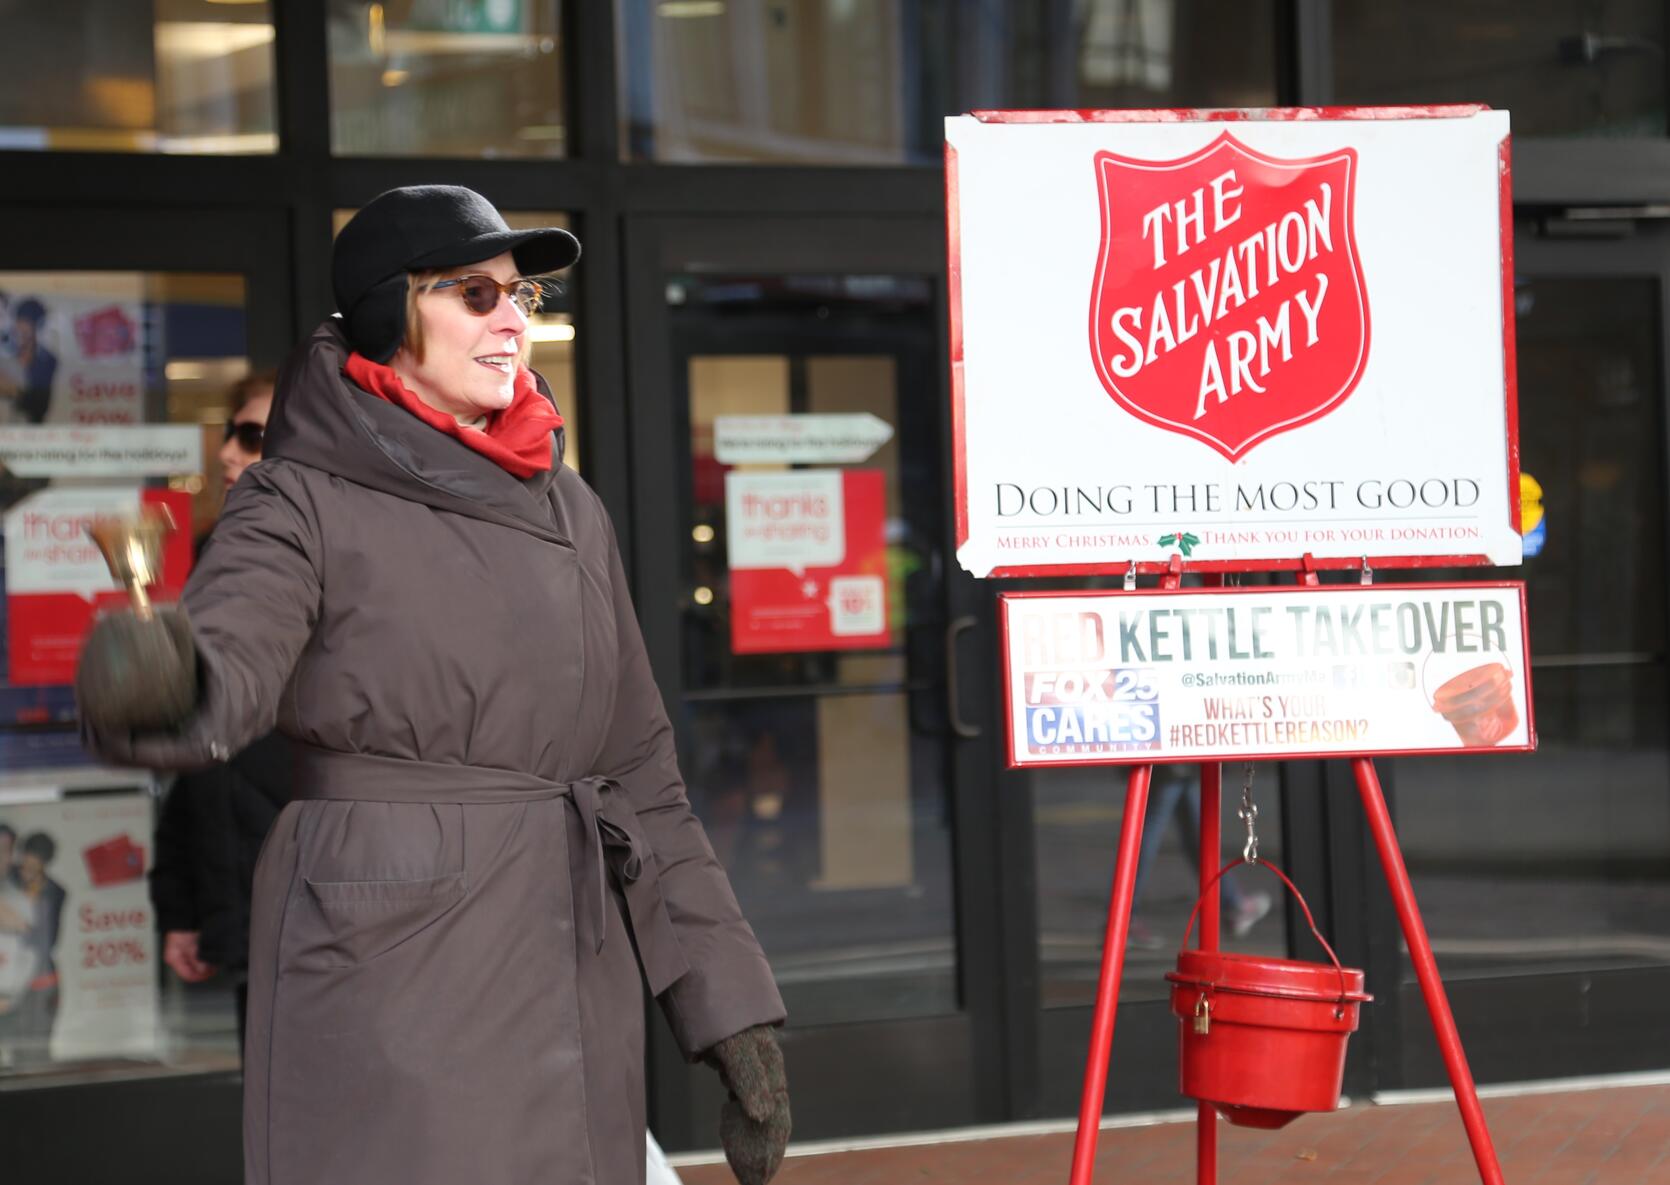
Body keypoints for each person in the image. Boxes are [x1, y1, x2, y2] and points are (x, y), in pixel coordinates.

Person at [76, 185, 788, 1185]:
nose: (512, 320)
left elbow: (636, 769)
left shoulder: (570, 505)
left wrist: (727, 1004)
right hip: (395, 974)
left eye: (519, 296)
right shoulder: (298, 494)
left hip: (573, 959)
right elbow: (219, 684)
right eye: (473, 293)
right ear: (386, 315)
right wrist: (151, 681)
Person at [149, 369, 291, 1049]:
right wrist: (183, 905)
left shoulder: (356, 570)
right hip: (248, 920)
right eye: (231, 432)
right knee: (272, 1143)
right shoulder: (214, 562)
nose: (228, 453)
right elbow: (200, 748)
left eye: (252, 435)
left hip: (336, 923)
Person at [1130, 766, 1271, 944]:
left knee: (1195, 828)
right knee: (1148, 828)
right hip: (1173, 757)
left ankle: (1232, 901)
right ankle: (1123, 915)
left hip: (1178, 762)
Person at [0, 831, 67, 1063]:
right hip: (9, 980)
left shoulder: (55, 892)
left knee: (37, 1051)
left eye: (35, 866)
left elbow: (51, 939)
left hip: (41, 982)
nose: (27, 871)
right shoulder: (7, 883)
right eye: (25, 863)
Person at [11, 298, 57, 424]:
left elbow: (39, 405)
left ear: (37, 325)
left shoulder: (48, 360)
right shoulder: (11, 353)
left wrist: (12, 390)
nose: (20, 327)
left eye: (26, 322)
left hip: (32, 429)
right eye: (19, 321)